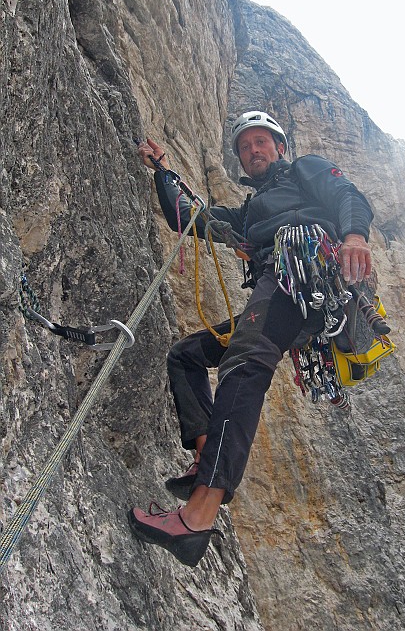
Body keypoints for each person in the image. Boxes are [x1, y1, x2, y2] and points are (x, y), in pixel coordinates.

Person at [128, 111, 374, 567]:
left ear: (280, 148)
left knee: (244, 362)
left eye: (261, 142)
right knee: (186, 355)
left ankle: (197, 517)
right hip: (279, 292)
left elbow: (347, 194)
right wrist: (164, 171)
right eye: (244, 146)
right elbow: (191, 219)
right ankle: (206, 458)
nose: (253, 151)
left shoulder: (305, 171)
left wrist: (355, 235)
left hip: (302, 271)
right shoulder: (247, 214)